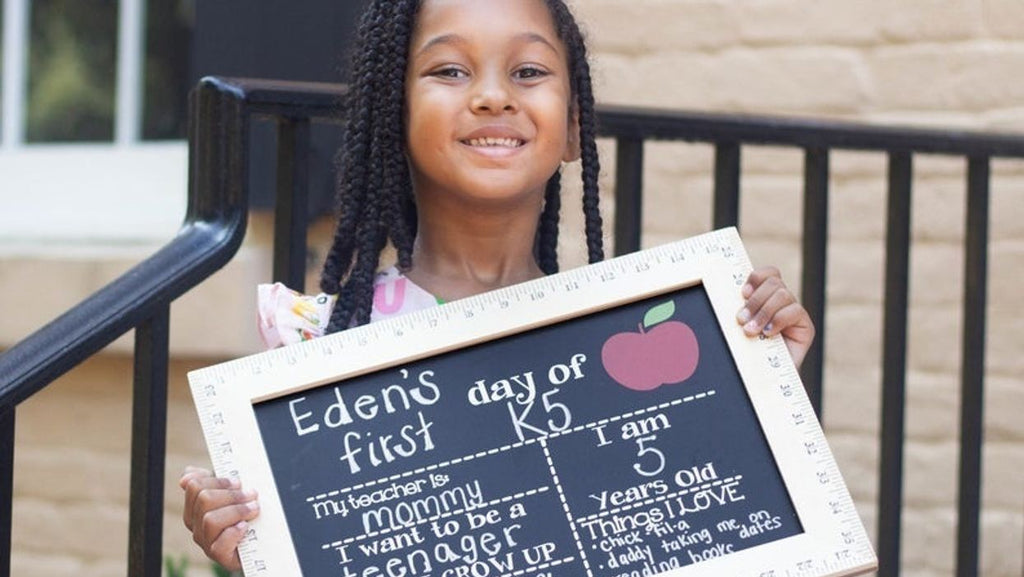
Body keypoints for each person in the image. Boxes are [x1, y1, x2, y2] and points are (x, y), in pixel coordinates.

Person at [179, 0, 816, 570]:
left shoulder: (644, 342)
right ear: (391, 116)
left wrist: (757, 388)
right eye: (450, 71)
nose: (492, 96)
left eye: (529, 72)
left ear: (573, 127)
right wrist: (257, 552)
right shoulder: (322, 344)